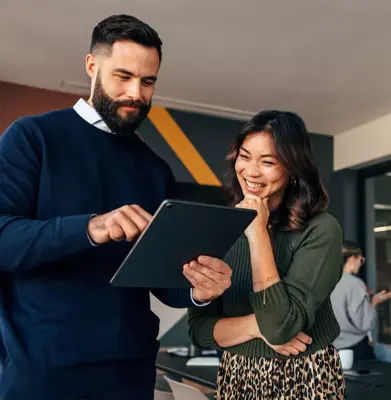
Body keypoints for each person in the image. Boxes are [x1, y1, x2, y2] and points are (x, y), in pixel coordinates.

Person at [0, 14, 232, 400]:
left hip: (130, 376)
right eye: (122, 76)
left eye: (148, 81)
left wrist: (202, 289)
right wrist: (91, 228)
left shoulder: (155, 169)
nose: (135, 94)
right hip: (42, 376)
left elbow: (164, 280)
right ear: (92, 66)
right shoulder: (32, 138)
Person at [188, 110, 346, 399]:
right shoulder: (219, 227)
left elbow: (280, 328)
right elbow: (198, 329)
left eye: (268, 162)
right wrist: (253, 327)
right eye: (245, 156)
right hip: (237, 377)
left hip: (306, 378)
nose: (251, 171)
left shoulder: (321, 230)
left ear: (293, 169)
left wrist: (257, 232)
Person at [331, 240, 391, 361]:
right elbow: (364, 324)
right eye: (361, 260)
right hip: (354, 349)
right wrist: (374, 303)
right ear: (353, 259)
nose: (360, 263)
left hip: (330, 349)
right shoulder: (354, 284)